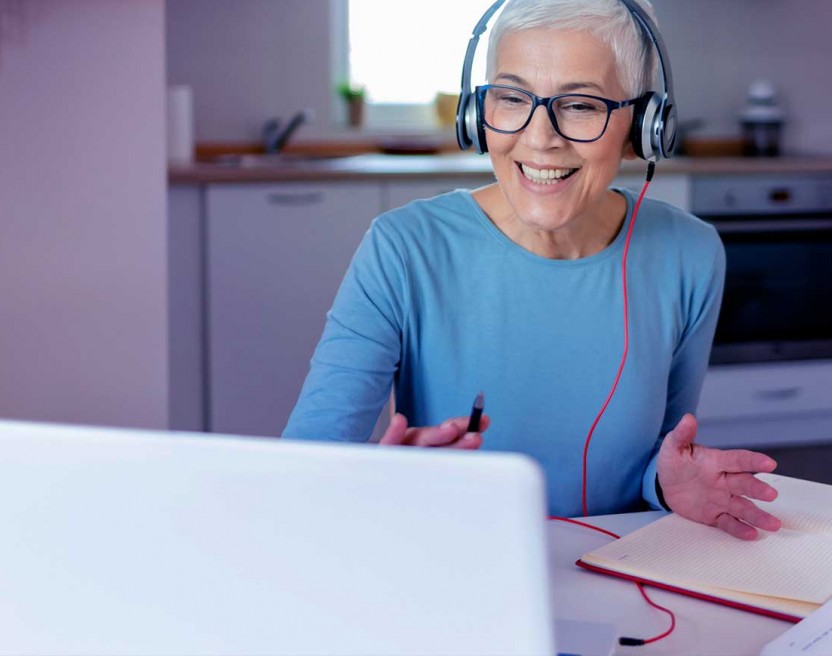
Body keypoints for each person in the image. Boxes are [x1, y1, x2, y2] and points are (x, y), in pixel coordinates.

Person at [284, 0, 782, 540]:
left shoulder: (690, 254)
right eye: (511, 97)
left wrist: (665, 486)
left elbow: (657, 458)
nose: (540, 138)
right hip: (450, 570)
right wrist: (377, 485)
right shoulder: (403, 249)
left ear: (642, 125)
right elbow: (302, 475)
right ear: (479, 115)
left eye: (581, 105)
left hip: (616, 574)